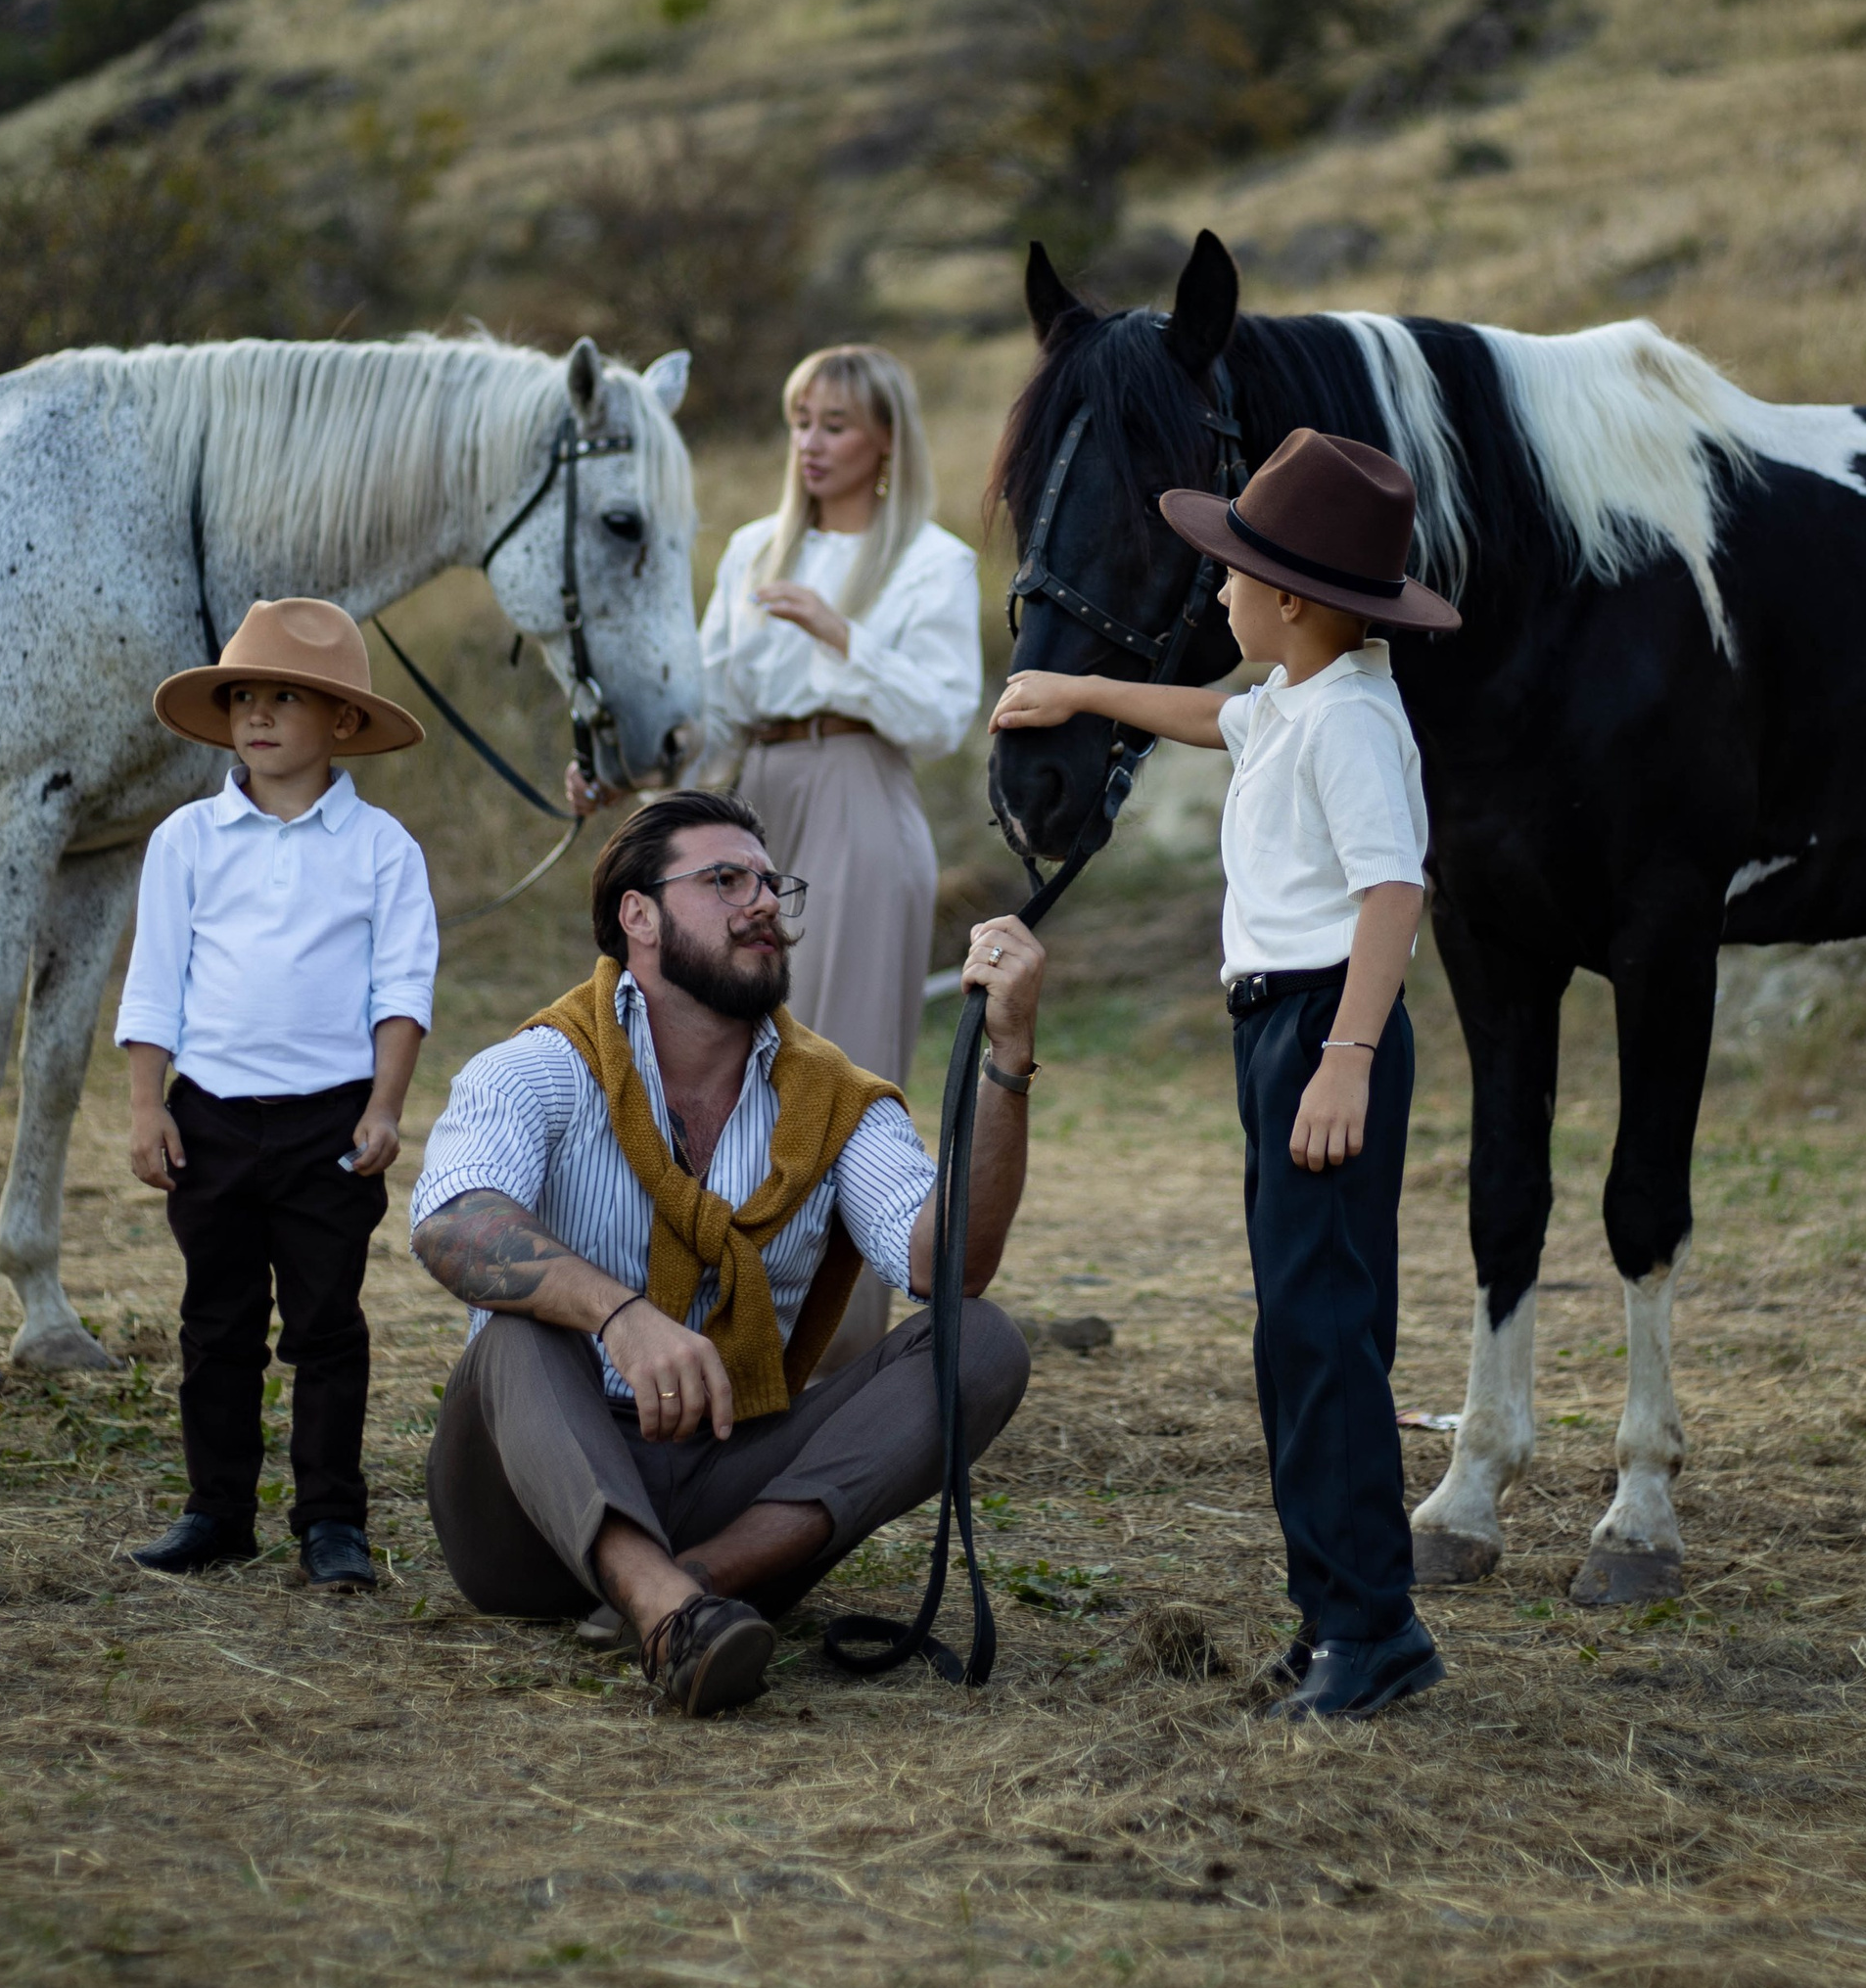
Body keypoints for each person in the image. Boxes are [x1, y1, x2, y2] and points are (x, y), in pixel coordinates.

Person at [992, 428, 1461, 1721]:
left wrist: (1347, 1058)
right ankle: (1335, 1618)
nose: (1216, 593)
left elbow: (1393, 891)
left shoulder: (1356, 723)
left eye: (1236, 574)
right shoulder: (1298, 696)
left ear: (1296, 599)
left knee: (1322, 1339)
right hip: (1280, 1031)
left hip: (1325, 1028)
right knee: (1300, 1336)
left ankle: (1374, 1629)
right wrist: (1080, 695)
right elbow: (1212, 714)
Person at [407, 790, 1040, 1718]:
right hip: (523, 1516)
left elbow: (948, 1265)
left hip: (725, 1490)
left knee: (980, 1339)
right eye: (723, 880)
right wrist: (620, 1317)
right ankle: (663, 1608)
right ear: (640, 916)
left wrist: (1008, 1060)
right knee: (520, 1324)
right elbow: (451, 1222)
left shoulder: (833, 1098)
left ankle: (692, 1582)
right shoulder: (543, 1063)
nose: (763, 904)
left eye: (770, 883)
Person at [578, 344, 980, 1376]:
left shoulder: (932, 560)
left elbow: (940, 715)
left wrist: (842, 633)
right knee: (712, 1049)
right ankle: (708, 1318)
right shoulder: (756, 544)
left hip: (858, 789)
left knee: (834, 1064)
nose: (811, 442)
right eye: (800, 419)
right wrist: (628, 774)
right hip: (745, 799)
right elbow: (705, 702)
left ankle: (838, 1354)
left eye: (835, 423)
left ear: (884, 438)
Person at [116, 599, 439, 1593]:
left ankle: (330, 1519)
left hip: (329, 1121)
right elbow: (155, 978)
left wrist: (383, 1107)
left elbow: (401, 988)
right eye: (243, 696)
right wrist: (146, 1103)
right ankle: (216, 1510)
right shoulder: (189, 838)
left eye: (284, 697)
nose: (256, 715)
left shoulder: (381, 847)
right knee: (215, 1323)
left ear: (340, 720)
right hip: (209, 1116)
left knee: (326, 1323)